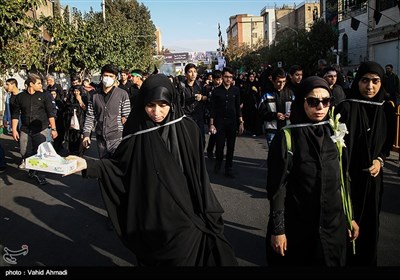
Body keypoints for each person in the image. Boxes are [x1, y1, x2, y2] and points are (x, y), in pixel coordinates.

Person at [65, 74, 238, 266]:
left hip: (186, 216)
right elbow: (118, 167)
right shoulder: (136, 132)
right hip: (150, 216)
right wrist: (86, 165)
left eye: (163, 105)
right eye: (150, 105)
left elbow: (197, 175)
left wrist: (206, 210)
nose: (156, 112)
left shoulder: (189, 129)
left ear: (172, 102)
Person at [265, 76, 359, 266]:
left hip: (333, 225)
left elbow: (343, 177)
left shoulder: (335, 133)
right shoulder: (287, 137)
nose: (320, 107)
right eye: (313, 101)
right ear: (301, 102)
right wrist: (279, 230)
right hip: (300, 226)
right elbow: (277, 188)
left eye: (326, 101)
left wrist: (350, 217)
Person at [336, 61, 396, 266]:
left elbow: (386, 145)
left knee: (370, 228)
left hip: (373, 181)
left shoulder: (386, 110)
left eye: (375, 81)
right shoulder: (345, 108)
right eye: (365, 81)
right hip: (348, 179)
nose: (370, 86)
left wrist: (380, 160)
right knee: (346, 228)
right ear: (357, 81)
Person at [11, 74, 58, 185]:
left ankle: (41, 175)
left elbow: (50, 113)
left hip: (41, 128)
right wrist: (14, 129)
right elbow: (15, 114)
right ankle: (32, 169)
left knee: (41, 153)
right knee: (24, 151)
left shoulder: (44, 96)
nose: (41, 85)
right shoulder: (20, 97)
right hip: (25, 129)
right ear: (31, 84)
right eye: (38, 83)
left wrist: (54, 129)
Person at [82, 64, 131, 159]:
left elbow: (127, 117)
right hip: (101, 140)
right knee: (104, 166)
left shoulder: (122, 94)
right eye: (106, 75)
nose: (108, 78)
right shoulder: (94, 96)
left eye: (111, 76)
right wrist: (86, 134)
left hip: (117, 139)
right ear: (101, 76)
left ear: (116, 78)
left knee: (117, 167)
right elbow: (90, 116)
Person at [209, 67, 244, 178]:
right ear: (222, 77)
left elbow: (238, 108)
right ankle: (218, 163)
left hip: (232, 122)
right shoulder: (216, 91)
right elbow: (212, 109)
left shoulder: (236, 90)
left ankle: (228, 167)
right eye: (226, 77)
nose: (228, 79)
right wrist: (211, 124)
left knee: (231, 146)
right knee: (219, 146)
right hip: (219, 123)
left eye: (230, 77)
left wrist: (241, 122)